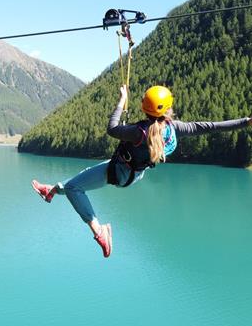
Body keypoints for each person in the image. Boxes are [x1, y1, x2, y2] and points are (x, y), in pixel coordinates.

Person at [31, 84, 251, 258]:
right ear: (167, 110)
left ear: (145, 108)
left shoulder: (139, 132)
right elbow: (211, 126)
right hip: (132, 172)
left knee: (74, 188)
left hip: (119, 171)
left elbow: (112, 128)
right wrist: (246, 121)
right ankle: (51, 190)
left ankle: (100, 232)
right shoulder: (174, 129)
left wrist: (121, 101)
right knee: (86, 176)